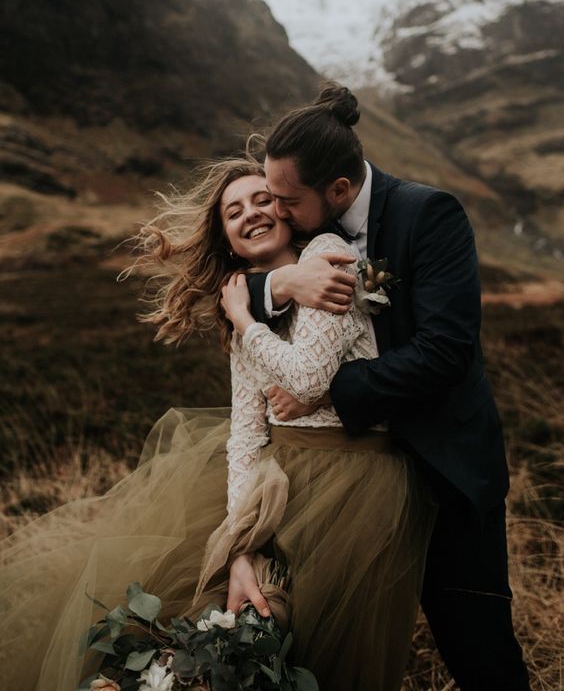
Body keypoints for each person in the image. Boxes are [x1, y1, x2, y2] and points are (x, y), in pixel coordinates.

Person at [0, 156, 434, 691]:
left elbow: (305, 378)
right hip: (281, 481)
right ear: (226, 237)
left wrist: (249, 321)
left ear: (287, 209)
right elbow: (247, 433)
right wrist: (239, 544)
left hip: (355, 482)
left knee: (326, 654)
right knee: (234, 639)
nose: (251, 214)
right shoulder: (242, 307)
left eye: (262, 200)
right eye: (234, 211)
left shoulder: (326, 255)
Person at [244, 81, 531, 690]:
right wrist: (281, 286)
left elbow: (445, 352)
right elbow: (241, 281)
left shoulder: (429, 214)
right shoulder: (300, 227)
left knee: (477, 648)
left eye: (286, 200)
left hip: (443, 469)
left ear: (340, 190)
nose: (274, 211)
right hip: (348, 484)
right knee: (332, 651)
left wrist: (328, 389)